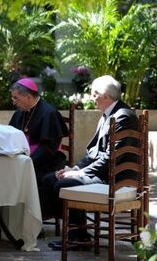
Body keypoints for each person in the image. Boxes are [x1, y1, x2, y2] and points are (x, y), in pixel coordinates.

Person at [43, 75, 138, 250]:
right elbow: (94, 153)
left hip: (116, 179)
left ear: (106, 96)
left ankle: (78, 236)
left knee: (63, 184)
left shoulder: (123, 117)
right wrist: (76, 168)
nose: (92, 98)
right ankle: (78, 233)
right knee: (50, 179)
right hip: (104, 172)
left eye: (94, 94)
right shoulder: (108, 115)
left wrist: (79, 174)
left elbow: (111, 158)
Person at [8, 77, 69, 218]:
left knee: (28, 178)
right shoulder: (19, 114)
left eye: (16, 98)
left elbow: (49, 148)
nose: (14, 102)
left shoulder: (49, 113)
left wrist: (28, 161)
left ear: (28, 96)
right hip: (23, 159)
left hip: (46, 162)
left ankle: (32, 220)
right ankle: (10, 221)